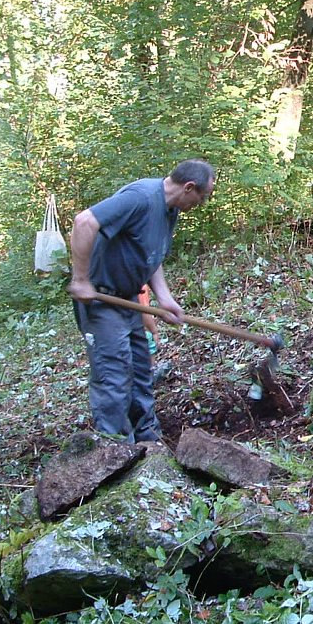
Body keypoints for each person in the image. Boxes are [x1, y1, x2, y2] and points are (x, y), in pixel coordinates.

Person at [68, 159, 216, 442]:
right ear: (188, 187)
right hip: (102, 301)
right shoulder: (141, 198)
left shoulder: (170, 211)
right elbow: (84, 221)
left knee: (139, 371)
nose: (202, 203)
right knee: (114, 377)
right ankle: (115, 451)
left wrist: (164, 299)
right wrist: (81, 279)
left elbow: (151, 256)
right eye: (202, 196)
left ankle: (149, 442)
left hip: (129, 300)